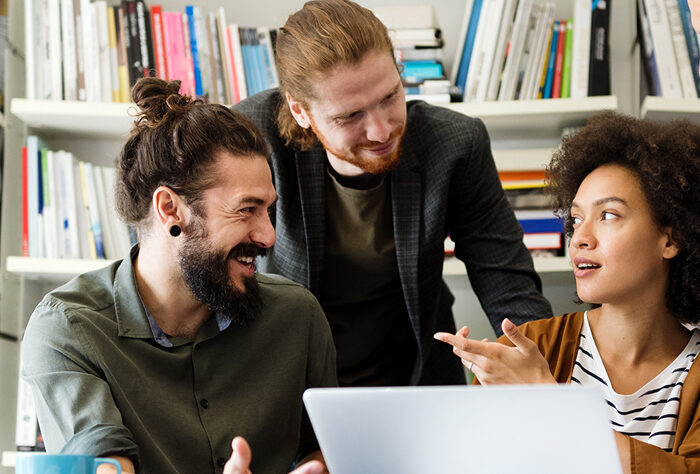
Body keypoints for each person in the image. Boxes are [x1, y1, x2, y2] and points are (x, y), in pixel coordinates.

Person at [21, 78, 337, 474]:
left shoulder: (298, 317)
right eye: (247, 209)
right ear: (170, 209)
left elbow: (325, 449)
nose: (268, 236)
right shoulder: (69, 330)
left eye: (268, 210)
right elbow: (105, 462)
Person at [233, 0, 552, 387]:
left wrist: (546, 376)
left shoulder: (454, 144)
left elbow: (506, 278)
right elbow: (217, 266)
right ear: (300, 111)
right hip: (290, 378)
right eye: (350, 115)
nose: (382, 131)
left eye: (389, 97)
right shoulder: (250, 137)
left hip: (417, 378)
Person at [435, 111, 700, 472]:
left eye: (608, 215)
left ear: (671, 239)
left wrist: (547, 399)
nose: (579, 239)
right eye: (576, 219)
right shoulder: (527, 349)